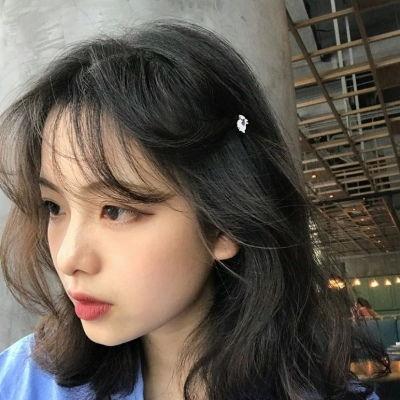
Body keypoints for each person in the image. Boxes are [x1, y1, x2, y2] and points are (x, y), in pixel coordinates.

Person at [0, 18, 385, 400]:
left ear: (224, 224)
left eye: (115, 210)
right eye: (54, 206)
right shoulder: (23, 380)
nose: (68, 258)